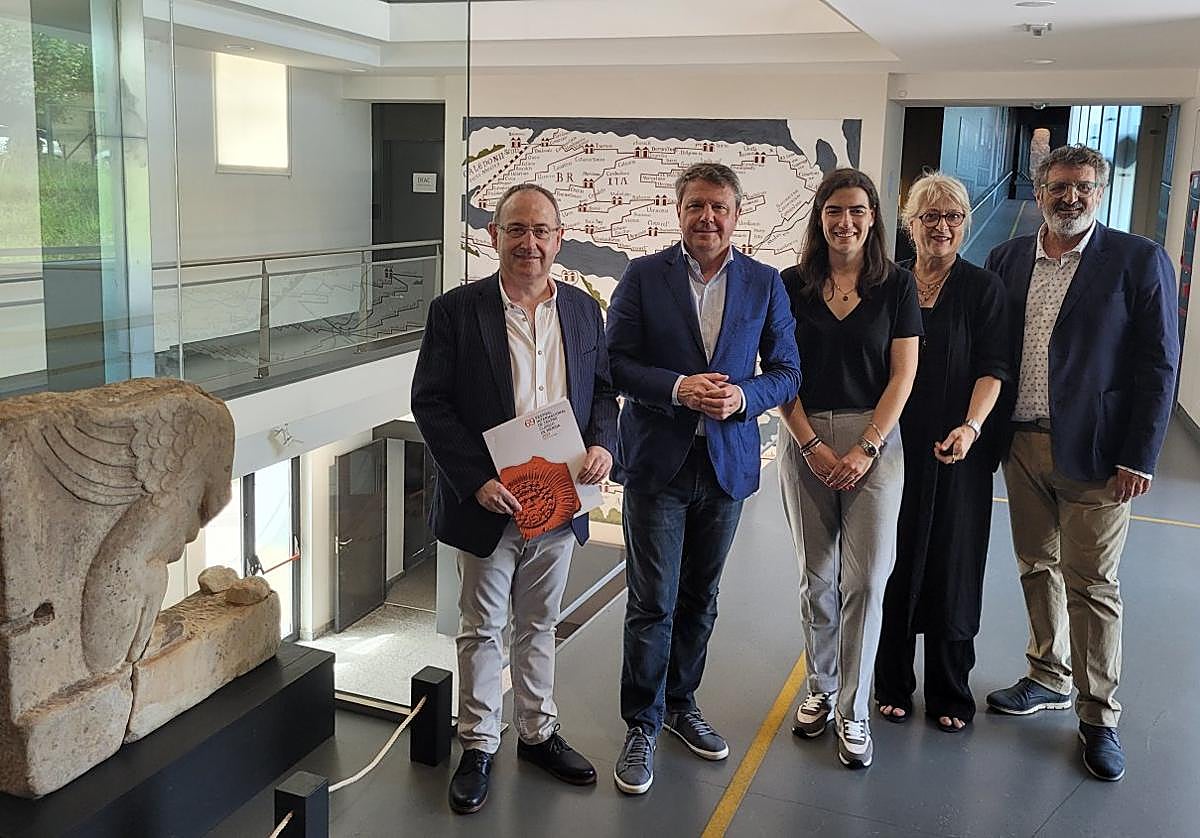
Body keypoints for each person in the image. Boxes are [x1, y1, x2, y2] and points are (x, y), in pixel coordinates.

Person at [411, 183, 619, 814]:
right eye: (516, 229)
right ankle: (478, 743)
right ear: (494, 235)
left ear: (559, 239)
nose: (530, 242)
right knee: (481, 628)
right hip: (489, 504)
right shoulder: (456, 311)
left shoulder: (583, 310)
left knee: (539, 624)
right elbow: (430, 403)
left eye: (541, 231)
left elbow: (602, 392)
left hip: (559, 503)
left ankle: (537, 732)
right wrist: (476, 479)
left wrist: (603, 444)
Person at [984, 144, 1179, 782]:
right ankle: (1048, 675)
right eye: (1060, 186)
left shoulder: (1137, 259)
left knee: (1092, 583)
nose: (1071, 197)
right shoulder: (1008, 258)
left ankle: (1098, 715)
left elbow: (1159, 363)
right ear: (1039, 191)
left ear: (1100, 193)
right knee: (1035, 564)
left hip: (1098, 451)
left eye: (1084, 187)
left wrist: (1139, 454)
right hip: (1021, 442)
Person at [605, 162, 802, 794]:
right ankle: (642, 722)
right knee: (652, 602)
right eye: (696, 205)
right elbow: (615, 363)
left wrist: (742, 397)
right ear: (679, 211)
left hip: (726, 466)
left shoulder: (764, 283)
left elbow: (787, 371)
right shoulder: (643, 276)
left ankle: (681, 704)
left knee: (700, 599)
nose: (707, 217)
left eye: (719, 207)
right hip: (657, 465)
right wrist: (677, 388)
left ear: (736, 214)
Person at [779, 168, 920, 770]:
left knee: (865, 581)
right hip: (804, 435)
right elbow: (780, 371)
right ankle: (821, 686)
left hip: (875, 440)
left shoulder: (897, 285)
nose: (846, 222)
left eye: (857, 210)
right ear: (820, 217)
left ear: (873, 218)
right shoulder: (791, 285)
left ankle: (853, 708)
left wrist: (866, 446)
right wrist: (810, 444)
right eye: (834, 210)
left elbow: (903, 375)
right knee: (817, 575)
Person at [874, 172, 1008, 733]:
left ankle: (951, 691)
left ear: (965, 223)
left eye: (953, 216)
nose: (942, 227)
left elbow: (994, 369)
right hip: (893, 447)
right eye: (930, 216)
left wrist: (971, 427)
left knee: (954, 567)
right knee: (892, 563)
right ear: (911, 224)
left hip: (958, 451)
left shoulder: (983, 289)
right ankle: (891, 683)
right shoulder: (892, 282)